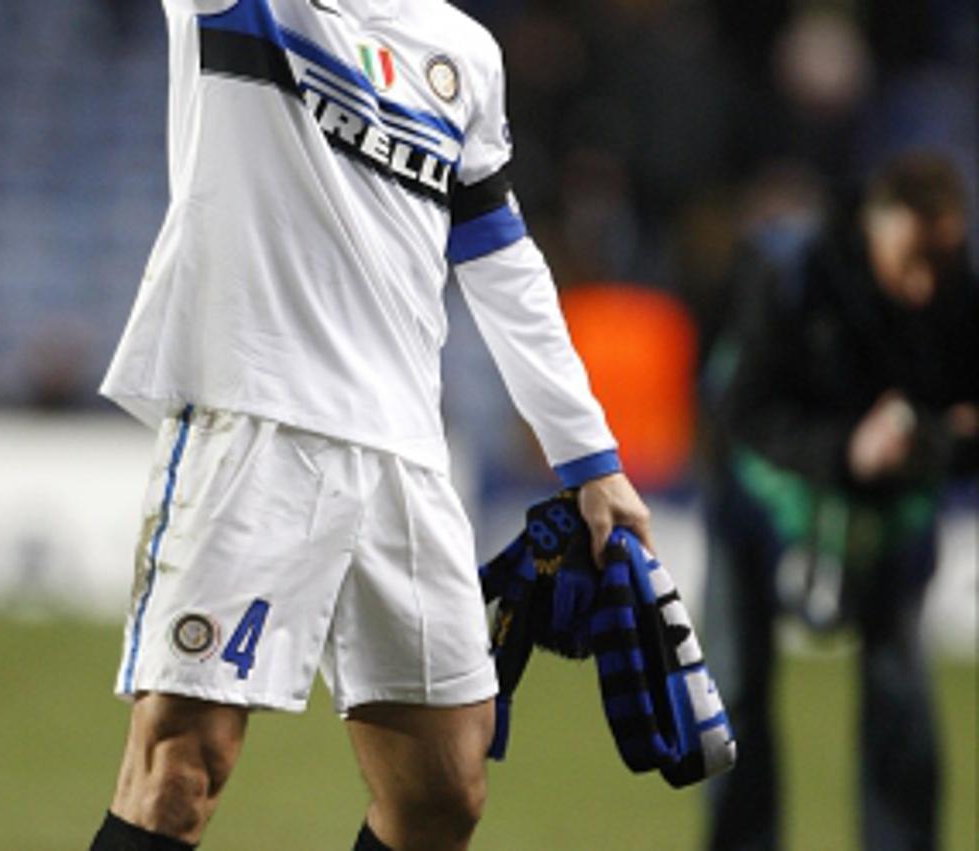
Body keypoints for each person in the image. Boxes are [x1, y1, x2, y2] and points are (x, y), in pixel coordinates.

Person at [91, 1, 652, 848]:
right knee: (179, 768)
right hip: (254, 423)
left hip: (405, 452)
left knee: (444, 791)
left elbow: (500, 257)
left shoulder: (463, 50)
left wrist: (589, 458)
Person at [700, 151, 978, 851]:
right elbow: (744, 411)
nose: (923, 286)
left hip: (888, 514)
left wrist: (932, 438)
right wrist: (847, 450)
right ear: (878, 219)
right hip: (760, 499)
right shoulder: (792, 273)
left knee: (900, 700)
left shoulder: (956, 285)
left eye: (938, 264)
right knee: (734, 693)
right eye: (914, 259)